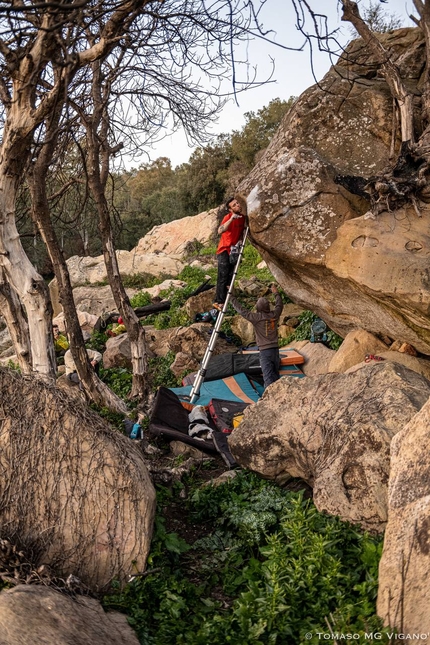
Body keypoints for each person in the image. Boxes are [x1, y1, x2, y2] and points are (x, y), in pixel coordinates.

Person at [230, 284, 283, 389]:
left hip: (265, 352)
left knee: (268, 377)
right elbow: (279, 305)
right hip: (275, 350)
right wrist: (276, 293)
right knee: (275, 375)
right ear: (268, 307)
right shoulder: (274, 315)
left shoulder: (256, 318)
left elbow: (242, 311)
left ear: (258, 307)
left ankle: (269, 400)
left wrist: (231, 297)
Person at [213, 197, 245, 311]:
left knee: (231, 274)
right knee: (223, 274)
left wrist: (240, 240)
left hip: (234, 249)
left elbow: (241, 231)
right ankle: (219, 302)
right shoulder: (228, 217)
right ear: (230, 209)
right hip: (224, 249)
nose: (237, 206)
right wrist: (231, 218)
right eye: (234, 205)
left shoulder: (243, 218)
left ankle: (227, 296)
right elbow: (220, 230)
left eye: (237, 203)